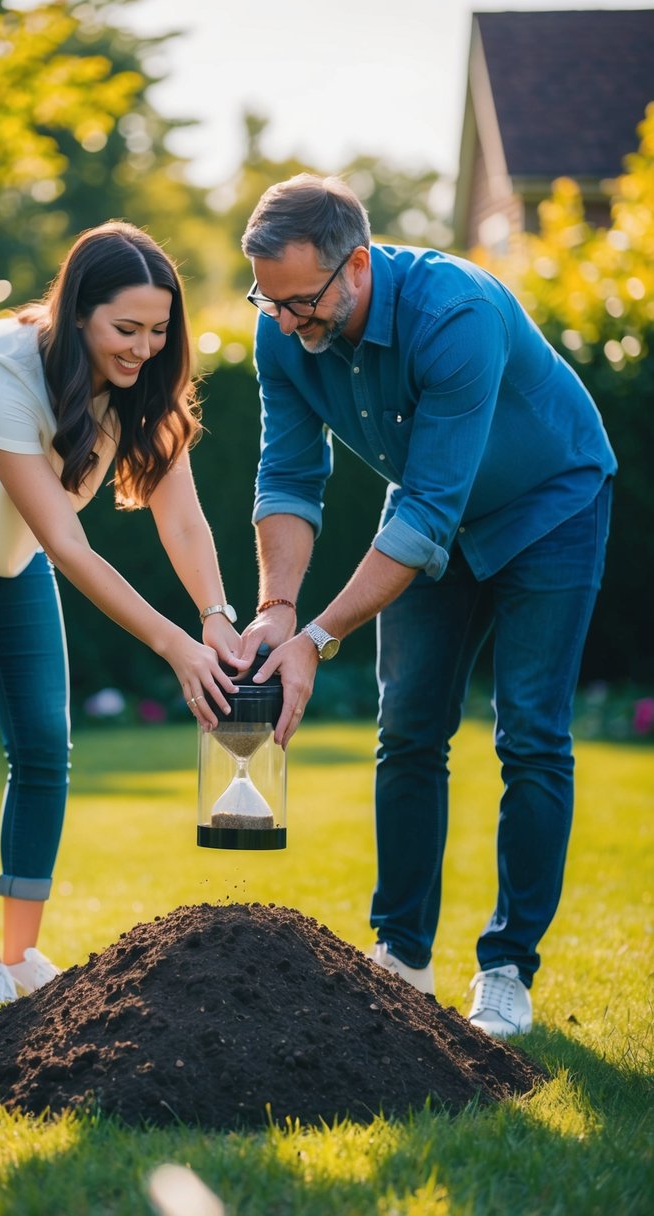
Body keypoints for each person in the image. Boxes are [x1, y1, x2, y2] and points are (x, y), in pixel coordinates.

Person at [237, 174, 616, 1037]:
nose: (287, 321)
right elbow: (289, 477)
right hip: (424, 505)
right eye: (269, 299)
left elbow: (427, 518)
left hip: (548, 505)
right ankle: (400, 958)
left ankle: (507, 968)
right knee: (407, 727)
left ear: (358, 265)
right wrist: (275, 610)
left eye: (302, 300)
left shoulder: (455, 313)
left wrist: (321, 637)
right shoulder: (281, 334)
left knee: (529, 733)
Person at [0, 221, 242, 1021]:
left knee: (42, 740)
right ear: (76, 315)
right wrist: (172, 646)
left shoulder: (143, 390)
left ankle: (20, 952)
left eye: (158, 330)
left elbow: (182, 520)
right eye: (124, 329)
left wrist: (215, 617)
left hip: (9, 552)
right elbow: (67, 541)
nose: (142, 348)